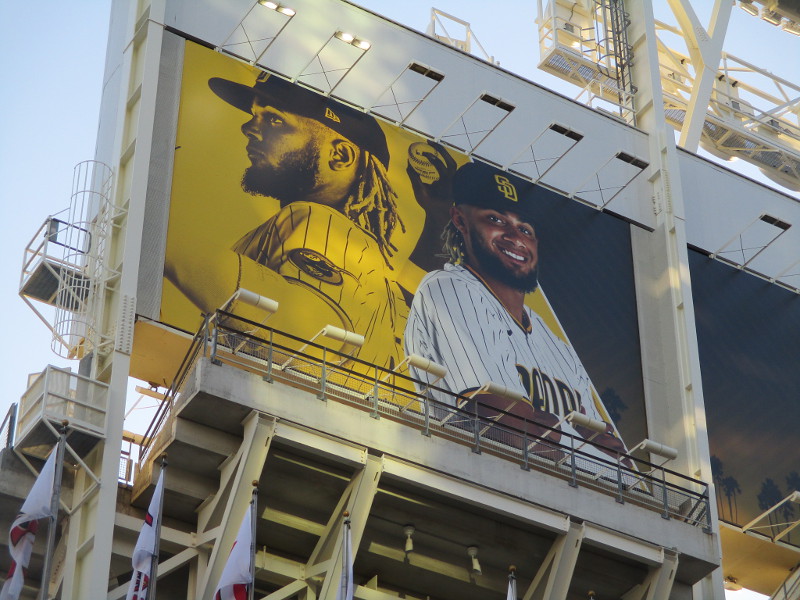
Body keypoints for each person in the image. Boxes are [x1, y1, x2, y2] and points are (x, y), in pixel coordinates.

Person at [165, 71, 407, 368]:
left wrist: (163, 237)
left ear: (340, 156)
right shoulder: (377, 273)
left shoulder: (319, 222)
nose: (248, 128)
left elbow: (309, 335)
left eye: (274, 120)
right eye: (254, 115)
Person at [404, 161, 629, 463]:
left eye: (525, 229)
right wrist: (582, 445)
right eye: (496, 219)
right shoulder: (448, 289)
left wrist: (553, 431)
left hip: (555, 489)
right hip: (466, 473)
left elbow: (621, 465)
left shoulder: (559, 348)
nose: (516, 237)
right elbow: (504, 427)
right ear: (460, 220)